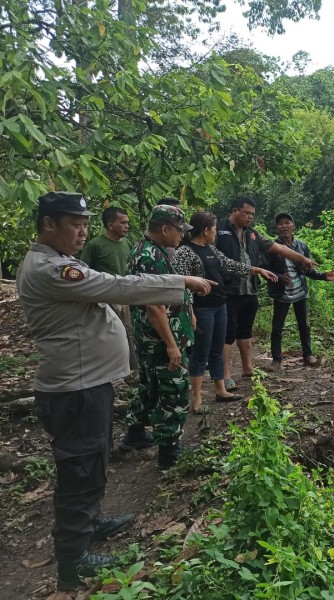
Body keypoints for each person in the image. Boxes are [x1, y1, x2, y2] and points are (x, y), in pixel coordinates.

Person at [16, 192, 213, 591]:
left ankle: (89, 524)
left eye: (86, 224)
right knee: (80, 468)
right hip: (75, 388)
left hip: (88, 383)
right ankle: (74, 561)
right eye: (75, 224)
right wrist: (181, 282)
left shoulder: (61, 262)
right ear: (49, 224)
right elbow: (120, 286)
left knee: (93, 459)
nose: (82, 232)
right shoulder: (52, 270)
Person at [173, 211, 278, 413]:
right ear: (205, 230)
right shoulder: (185, 252)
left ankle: (220, 390)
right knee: (199, 352)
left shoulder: (210, 249)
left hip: (220, 304)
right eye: (213, 229)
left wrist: (256, 270)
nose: (215, 233)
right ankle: (196, 399)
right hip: (201, 309)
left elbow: (230, 265)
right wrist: (190, 312)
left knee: (216, 349)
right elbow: (181, 285)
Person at [123, 205, 199, 470]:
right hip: (159, 338)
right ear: (165, 229)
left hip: (151, 337)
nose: (182, 235)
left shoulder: (149, 250)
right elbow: (155, 307)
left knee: (149, 385)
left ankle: (134, 434)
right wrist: (171, 345)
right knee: (173, 390)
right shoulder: (150, 256)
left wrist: (187, 310)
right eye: (179, 230)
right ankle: (169, 450)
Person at [215, 196, 317, 390]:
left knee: (245, 331)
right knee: (227, 333)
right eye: (247, 213)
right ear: (234, 211)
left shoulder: (253, 235)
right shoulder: (218, 231)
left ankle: (247, 368)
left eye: (253, 214)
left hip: (250, 289)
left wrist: (302, 259)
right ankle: (226, 375)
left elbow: (277, 248)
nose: (250, 217)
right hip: (228, 290)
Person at [265, 212, 334, 371]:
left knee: (304, 325)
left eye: (287, 223)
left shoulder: (302, 246)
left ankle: (308, 355)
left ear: (293, 226)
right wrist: (279, 277)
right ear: (277, 228)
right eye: (280, 224)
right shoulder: (272, 247)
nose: (284, 226)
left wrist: (323, 276)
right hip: (282, 293)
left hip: (300, 292)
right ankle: (276, 360)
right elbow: (264, 271)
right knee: (277, 327)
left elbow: (307, 270)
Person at [79, 206, 137, 375]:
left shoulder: (127, 243)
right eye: (123, 223)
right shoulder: (95, 245)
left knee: (130, 333)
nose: (127, 226)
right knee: (111, 335)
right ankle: (110, 370)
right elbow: (84, 270)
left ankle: (132, 370)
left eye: (127, 223)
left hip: (127, 296)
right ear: (110, 225)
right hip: (107, 298)